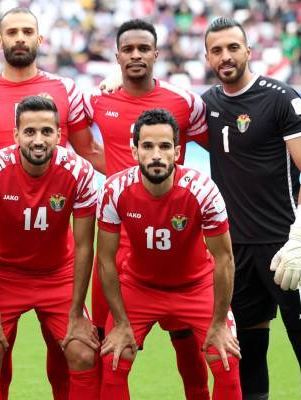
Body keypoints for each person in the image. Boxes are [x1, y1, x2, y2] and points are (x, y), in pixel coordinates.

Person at [0, 8, 104, 399]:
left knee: (76, 351)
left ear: (39, 39)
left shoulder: (66, 90)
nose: (20, 38)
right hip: (4, 261)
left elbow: (90, 152)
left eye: (27, 31)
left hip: (56, 258)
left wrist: (151, 178)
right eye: (12, 32)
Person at [83, 19, 210, 399]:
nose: (136, 55)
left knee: (185, 339)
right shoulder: (98, 100)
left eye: (143, 49)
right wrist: (118, 176)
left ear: (156, 53)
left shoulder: (184, 102)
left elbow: (221, 149)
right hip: (117, 240)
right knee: (105, 342)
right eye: (128, 50)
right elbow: (82, 145)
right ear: (117, 56)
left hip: (174, 238)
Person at [202, 17, 301, 399]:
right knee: (248, 358)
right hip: (236, 253)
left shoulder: (280, 98)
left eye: (233, 47)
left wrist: (300, 238)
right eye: (217, 50)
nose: (226, 56)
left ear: (248, 51)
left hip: (285, 246)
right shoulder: (207, 104)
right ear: (207, 58)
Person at [97, 108, 241, 399]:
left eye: (164, 146)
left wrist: (218, 325)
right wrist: (121, 323)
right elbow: (105, 260)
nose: (156, 155)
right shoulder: (114, 190)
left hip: (196, 286)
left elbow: (224, 259)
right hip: (140, 287)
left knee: (224, 358)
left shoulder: (203, 191)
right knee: (114, 357)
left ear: (177, 152)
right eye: (147, 146)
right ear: (134, 151)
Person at [0, 96, 99, 399]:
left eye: (46, 131)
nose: (38, 140)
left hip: (58, 273)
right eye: (29, 132)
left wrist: (77, 313)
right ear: (16, 135)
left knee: (83, 352)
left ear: (59, 135)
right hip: (4, 275)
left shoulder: (80, 172)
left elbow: (84, 246)